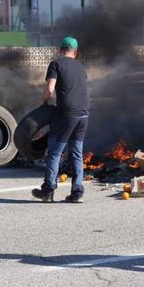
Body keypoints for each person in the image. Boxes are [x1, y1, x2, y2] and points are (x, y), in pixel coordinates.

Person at [31, 36, 89, 203]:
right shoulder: (80, 66)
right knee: (77, 154)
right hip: (84, 114)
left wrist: (44, 103)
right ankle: (77, 192)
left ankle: (48, 191)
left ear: (60, 49)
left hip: (66, 114)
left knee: (55, 153)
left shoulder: (56, 64)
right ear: (75, 52)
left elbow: (49, 89)